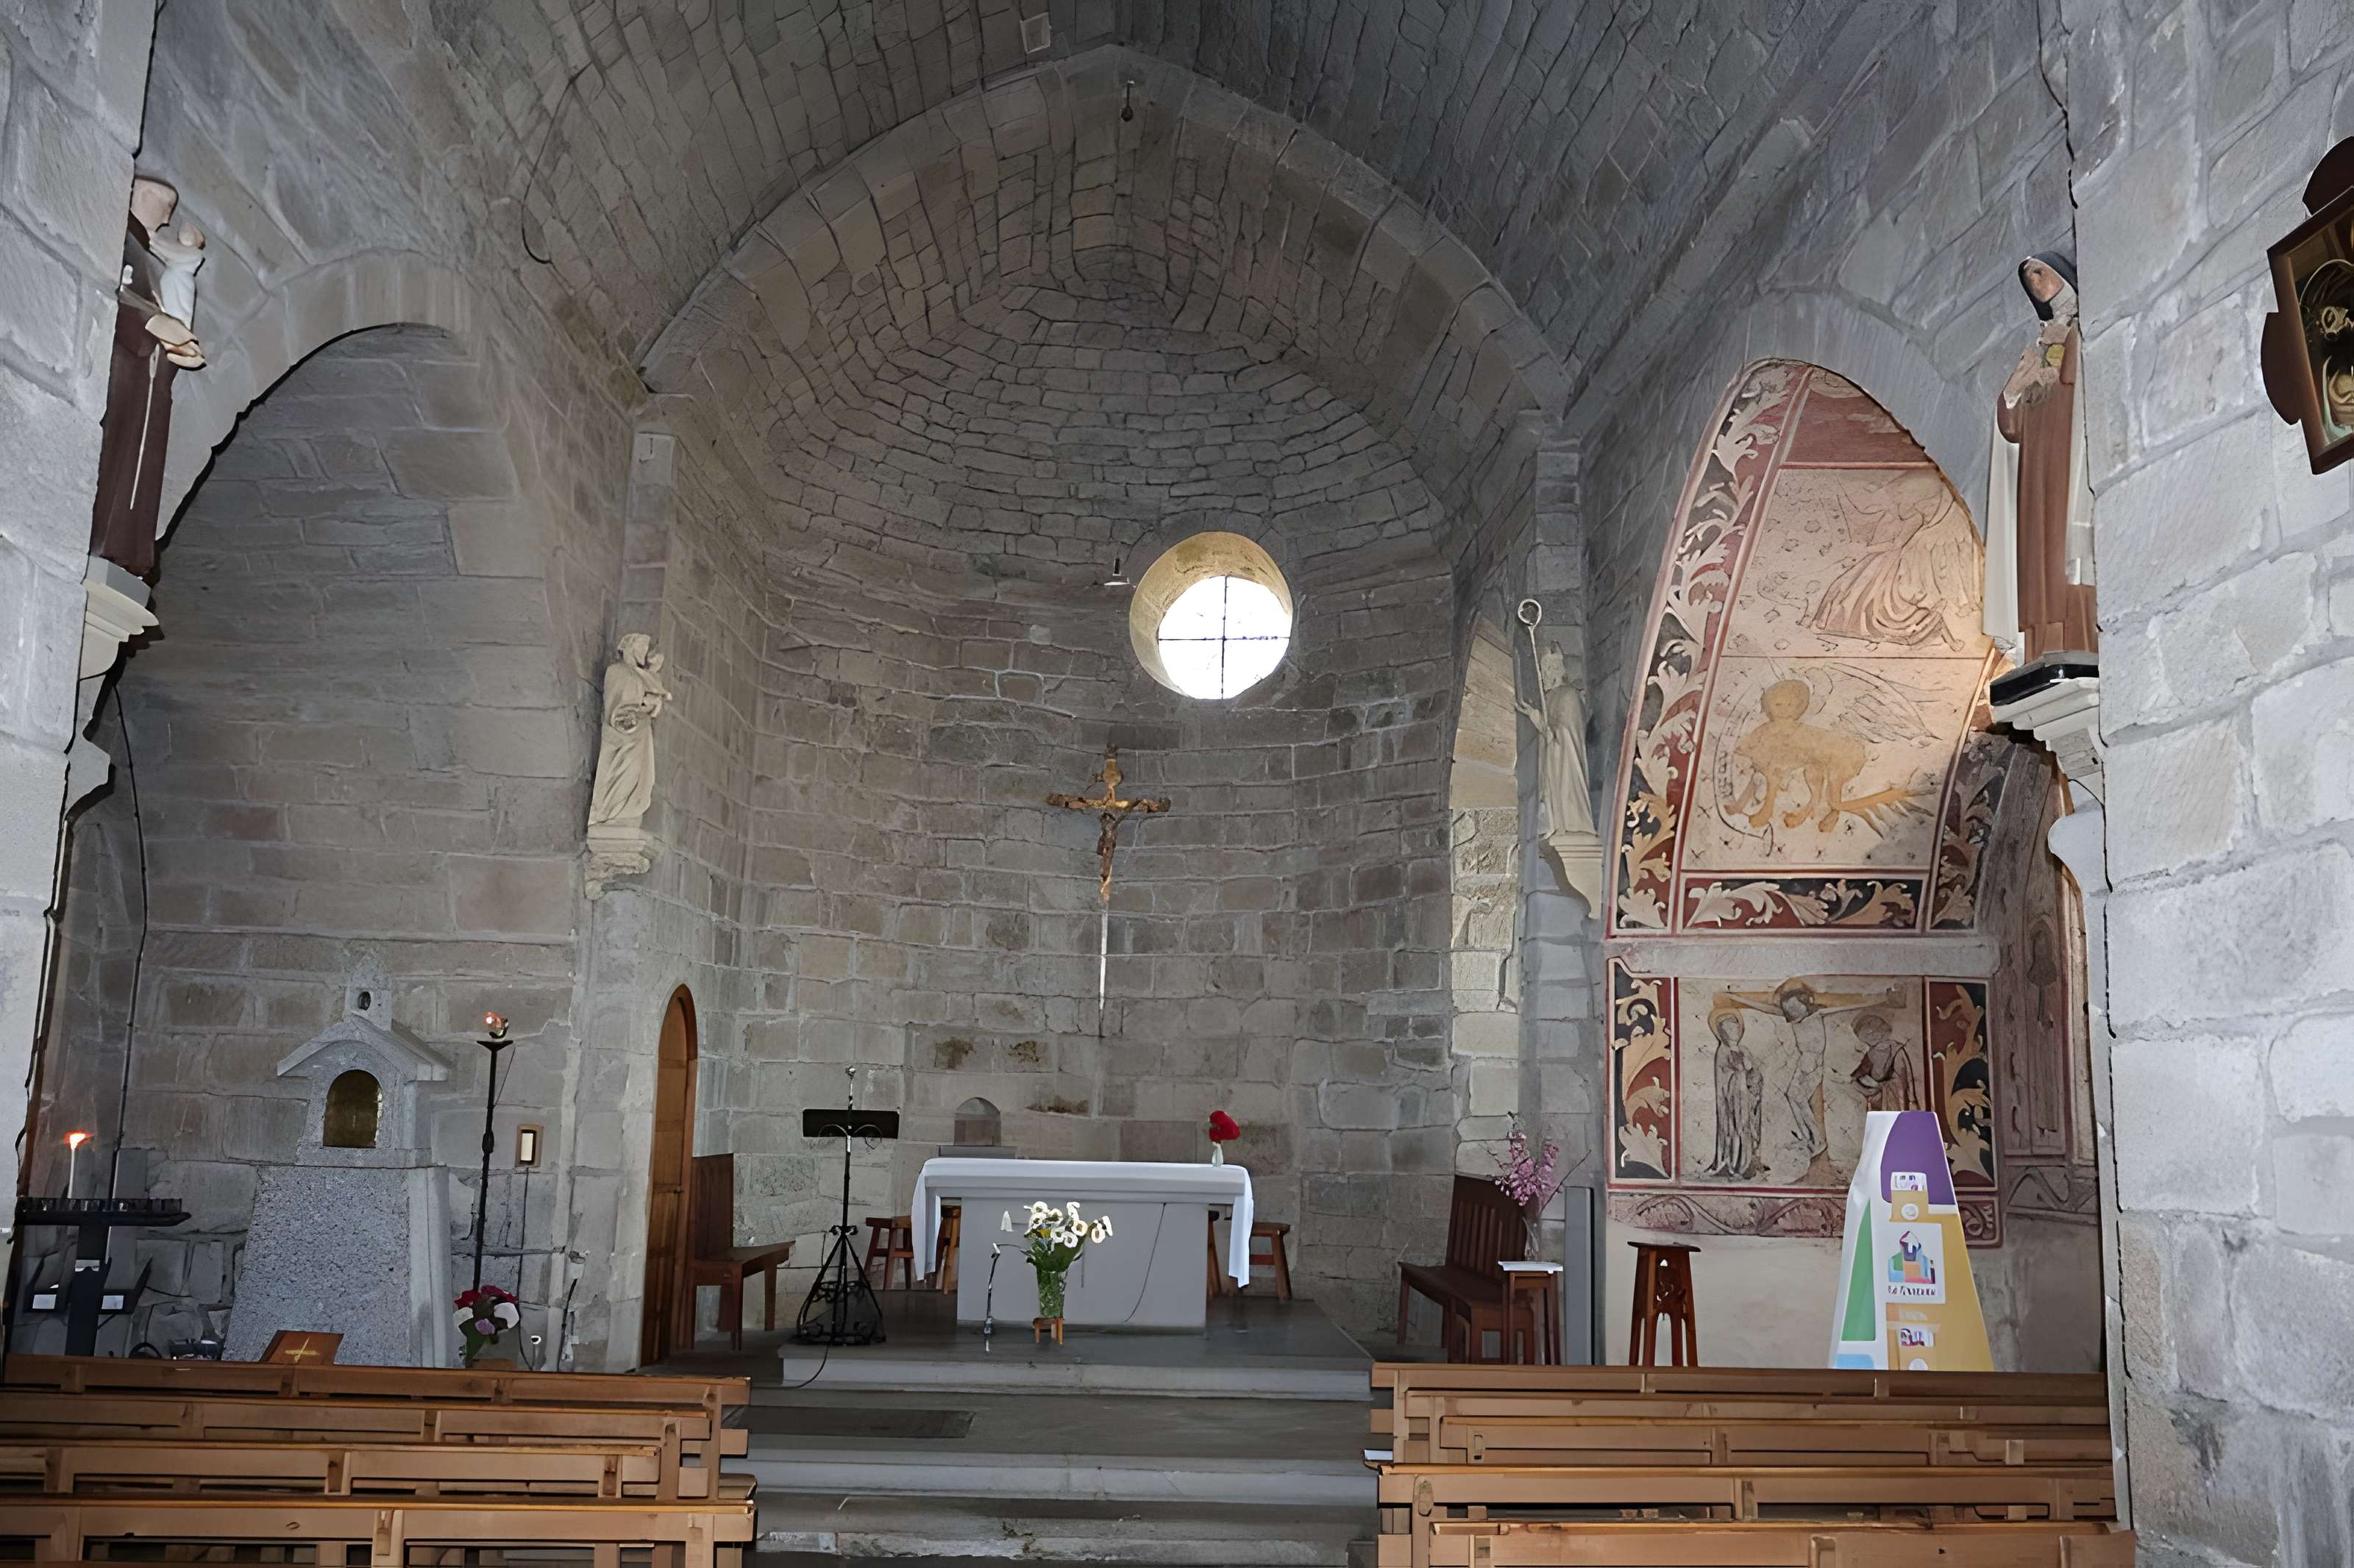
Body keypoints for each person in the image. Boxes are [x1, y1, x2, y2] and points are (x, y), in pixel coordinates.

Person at [1987, 252, 2099, 661]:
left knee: (2067, 560)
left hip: (2069, 462)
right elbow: (2013, 426)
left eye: (2041, 272)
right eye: (2029, 278)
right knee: (2040, 559)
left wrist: (2062, 350)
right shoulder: (2041, 343)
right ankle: (2041, 650)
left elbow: (2081, 379)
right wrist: (2014, 390)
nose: (2036, 282)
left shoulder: (2081, 331)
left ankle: (2079, 643)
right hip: (2038, 471)